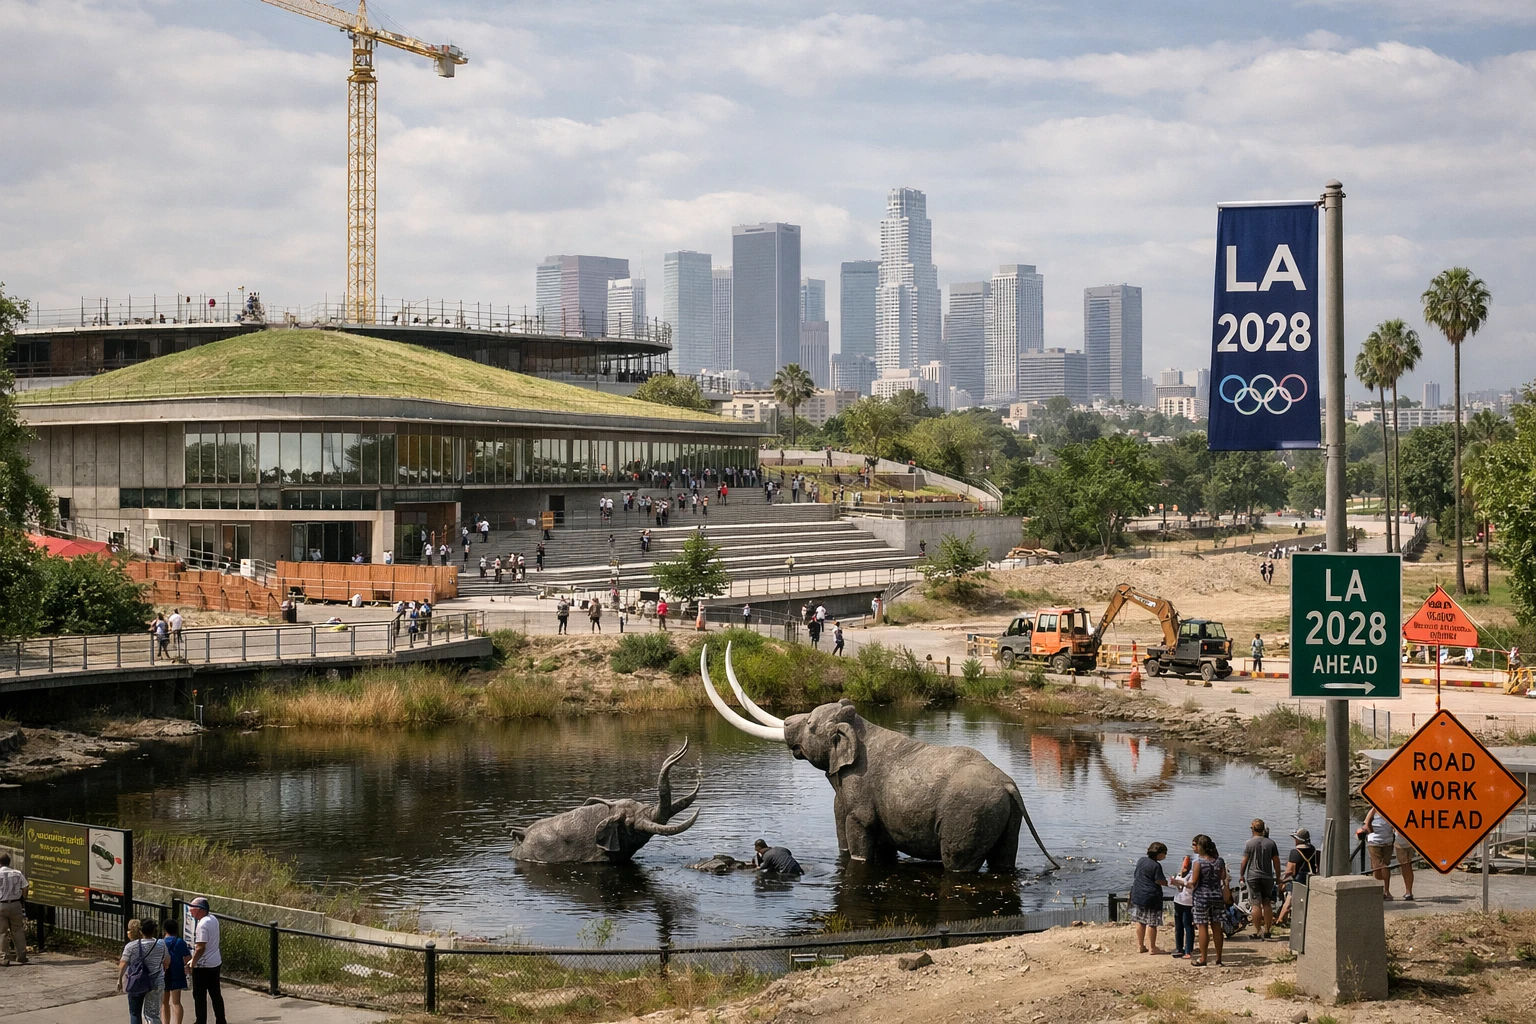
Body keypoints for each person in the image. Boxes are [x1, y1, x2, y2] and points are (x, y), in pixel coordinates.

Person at [117, 917, 169, 1024]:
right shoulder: (161, 944)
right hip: (156, 981)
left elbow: (123, 964)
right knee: (153, 1014)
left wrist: (119, 980)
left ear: (141, 931)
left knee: (135, 1013)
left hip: (137, 982)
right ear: (154, 930)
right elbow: (167, 961)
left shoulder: (131, 946)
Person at [1188, 834, 1229, 967]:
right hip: (1217, 896)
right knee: (1217, 927)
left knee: (1202, 926)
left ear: (1200, 847)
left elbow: (1193, 882)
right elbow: (1223, 876)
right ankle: (1219, 958)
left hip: (1201, 897)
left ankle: (1203, 958)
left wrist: (1182, 883)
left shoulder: (1198, 863)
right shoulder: (1219, 861)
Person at [1239, 817, 1282, 939]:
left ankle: (1258, 931)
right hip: (1267, 877)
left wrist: (1241, 875)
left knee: (1256, 905)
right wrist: (1278, 876)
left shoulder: (1249, 843)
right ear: (1263, 829)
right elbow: (1276, 861)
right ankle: (1268, 930)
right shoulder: (1271, 843)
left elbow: (1244, 861)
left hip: (1253, 877)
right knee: (1267, 903)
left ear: (1253, 829)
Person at [1360, 805, 1413, 899]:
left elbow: (1394, 825)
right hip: (1380, 841)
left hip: (1382, 841)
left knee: (1382, 865)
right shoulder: (1377, 809)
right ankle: (1383, 891)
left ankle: (1385, 891)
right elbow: (1367, 823)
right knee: (1380, 865)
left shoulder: (1385, 809)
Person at [1130, 841, 1174, 954]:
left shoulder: (1141, 860)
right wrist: (1169, 882)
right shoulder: (1156, 865)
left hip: (1138, 894)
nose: (1165, 856)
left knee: (1140, 921)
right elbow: (1160, 881)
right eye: (1165, 853)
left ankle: (1140, 945)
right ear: (1159, 854)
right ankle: (1152, 947)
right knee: (1152, 923)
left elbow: (1137, 874)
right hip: (1151, 897)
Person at [187, 897, 226, 1024]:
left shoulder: (202, 924)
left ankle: (201, 1021)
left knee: (199, 995)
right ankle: (221, 1020)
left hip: (203, 966)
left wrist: (193, 962)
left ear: (199, 910)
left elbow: (200, 947)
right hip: (215, 962)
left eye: (192, 909)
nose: (190, 912)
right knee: (215, 994)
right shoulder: (213, 919)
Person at [1276, 828, 1320, 927]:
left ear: (1299, 840)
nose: (1294, 840)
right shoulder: (1313, 849)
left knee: (1288, 900)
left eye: (1295, 838)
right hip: (1310, 879)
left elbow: (1289, 871)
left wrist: (1281, 880)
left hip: (1298, 881)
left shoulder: (1295, 852)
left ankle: (1280, 920)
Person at [1169, 838, 1197, 959]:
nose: (1184, 867)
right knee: (1178, 926)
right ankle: (1179, 948)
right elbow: (1179, 887)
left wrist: (1181, 882)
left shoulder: (1193, 874)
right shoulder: (1181, 874)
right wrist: (1175, 882)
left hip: (1188, 902)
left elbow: (1191, 885)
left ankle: (1188, 950)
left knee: (1187, 925)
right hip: (1178, 901)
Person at [161, 916, 191, 1024]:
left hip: (164, 974)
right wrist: (188, 970)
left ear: (165, 930)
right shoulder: (180, 942)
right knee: (176, 1002)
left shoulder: (161, 942)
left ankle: (165, 1022)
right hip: (177, 973)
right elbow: (188, 959)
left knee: (164, 1003)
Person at [0, 852, 27, 966]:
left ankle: (4, 958)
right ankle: (21, 956)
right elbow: (25, 887)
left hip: (1, 904)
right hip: (16, 904)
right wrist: (23, 898)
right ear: (9, 862)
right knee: (18, 930)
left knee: (2, 932)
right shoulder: (17, 873)